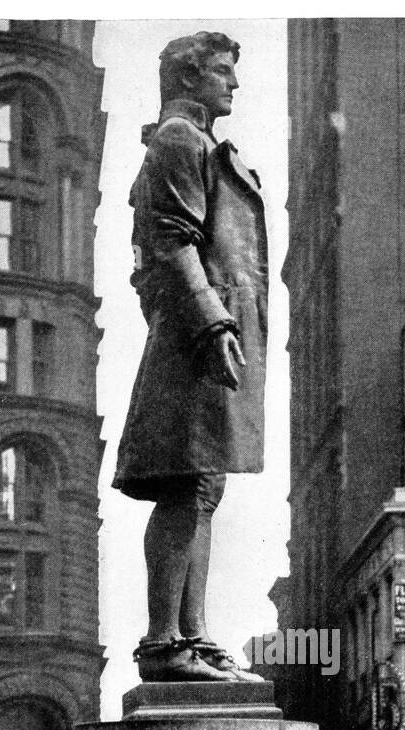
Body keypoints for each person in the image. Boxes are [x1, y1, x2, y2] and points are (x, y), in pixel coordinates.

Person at [113, 31, 267, 683]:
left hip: (212, 332)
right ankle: (162, 643)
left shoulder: (198, 142)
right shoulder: (178, 140)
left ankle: (193, 638)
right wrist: (210, 325)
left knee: (203, 483)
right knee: (185, 484)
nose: (233, 84)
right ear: (188, 76)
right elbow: (172, 243)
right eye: (223, 73)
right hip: (196, 336)